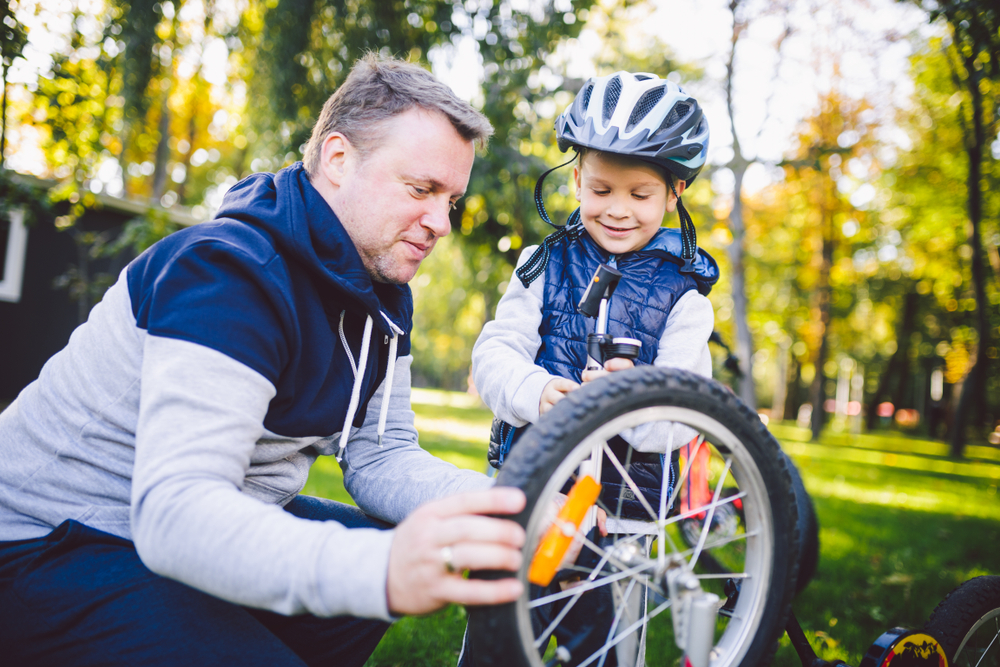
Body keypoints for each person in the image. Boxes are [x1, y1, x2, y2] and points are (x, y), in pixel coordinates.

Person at [0, 54, 527, 667]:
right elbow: (178, 513)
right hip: (46, 544)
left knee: (385, 538)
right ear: (337, 159)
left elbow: (381, 454)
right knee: (377, 559)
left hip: (179, 528)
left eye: (452, 200)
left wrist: (506, 503)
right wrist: (382, 571)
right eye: (421, 190)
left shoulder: (380, 294)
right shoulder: (228, 273)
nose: (440, 223)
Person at [462, 71, 720, 666]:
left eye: (640, 194)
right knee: (496, 641)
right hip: (529, 492)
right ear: (576, 179)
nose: (618, 211)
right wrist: (537, 389)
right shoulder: (540, 264)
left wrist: (628, 403)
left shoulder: (687, 299)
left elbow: (683, 419)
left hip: (624, 520)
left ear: (674, 193)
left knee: (605, 651)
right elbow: (495, 353)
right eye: (601, 189)